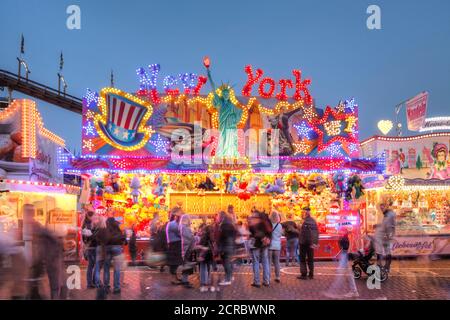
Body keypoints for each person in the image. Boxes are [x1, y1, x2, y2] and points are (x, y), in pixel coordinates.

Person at [96, 217, 127, 294]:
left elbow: (97, 237)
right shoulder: (117, 227)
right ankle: (116, 288)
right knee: (117, 269)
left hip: (107, 249)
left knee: (106, 268)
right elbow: (123, 238)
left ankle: (106, 287)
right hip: (117, 248)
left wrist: (102, 243)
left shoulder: (104, 228)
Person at [248, 210, 272, 287]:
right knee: (265, 262)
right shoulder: (267, 220)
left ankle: (257, 281)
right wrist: (267, 238)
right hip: (265, 244)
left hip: (256, 244)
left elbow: (252, 231)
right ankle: (266, 281)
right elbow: (270, 231)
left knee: (256, 262)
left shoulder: (255, 220)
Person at [375, 198, 396, 272]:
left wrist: (389, 236)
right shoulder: (387, 214)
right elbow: (386, 225)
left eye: (382, 206)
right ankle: (383, 266)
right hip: (384, 236)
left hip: (386, 236)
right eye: (380, 206)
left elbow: (390, 226)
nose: (381, 208)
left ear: (386, 206)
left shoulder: (389, 214)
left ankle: (385, 267)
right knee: (382, 251)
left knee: (384, 251)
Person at [298, 207, 319, 280]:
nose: (302, 214)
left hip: (304, 243)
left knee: (302, 259)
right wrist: (314, 242)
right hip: (310, 243)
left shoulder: (305, 222)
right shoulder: (313, 221)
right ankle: (311, 274)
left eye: (303, 212)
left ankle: (304, 274)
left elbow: (303, 233)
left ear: (306, 213)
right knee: (310, 259)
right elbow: (316, 233)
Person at [216, 211, 237, 286]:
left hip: (225, 246)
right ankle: (230, 277)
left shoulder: (223, 225)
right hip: (231, 245)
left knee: (226, 263)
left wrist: (219, 247)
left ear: (221, 217)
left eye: (218, 216)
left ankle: (227, 279)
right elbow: (235, 235)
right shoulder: (231, 225)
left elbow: (221, 238)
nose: (217, 217)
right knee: (229, 262)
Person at [166, 207, 184, 285]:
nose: (180, 218)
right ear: (175, 216)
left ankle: (175, 277)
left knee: (176, 262)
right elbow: (180, 233)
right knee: (173, 263)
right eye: (179, 216)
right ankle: (173, 279)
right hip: (174, 244)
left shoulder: (175, 223)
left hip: (176, 244)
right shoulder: (172, 224)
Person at [81, 211, 98, 288]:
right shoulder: (89, 224)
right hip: (92, 246)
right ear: (90, 216)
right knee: (93, 265)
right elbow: (90, 236)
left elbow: (84, 237)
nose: (95, 217)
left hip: (90, 246)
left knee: (92, 265)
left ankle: (91, 283)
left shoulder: (85, 224)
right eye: (94, 216)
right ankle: (91, 283)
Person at [197, 223, 215, 292]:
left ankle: (204, 285)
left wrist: (199, 247)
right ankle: (210, 285)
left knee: (203, 270)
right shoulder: (212, 236)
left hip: (204, 255)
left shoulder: (204, 237)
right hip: (210, 255)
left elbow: (201, 246)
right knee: (209, 270)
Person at [179, 214, 196, 288]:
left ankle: (184, 279)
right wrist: (195, 237)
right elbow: (189, 237)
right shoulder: (184, 228)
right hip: (187, 249)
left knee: (186, 265)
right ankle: (185, 281)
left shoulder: (182, 227)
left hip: (185, 248)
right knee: (186, 265)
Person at [269, 211, 282, 283]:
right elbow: (280, 235)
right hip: (277, 245)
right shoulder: (279, 225)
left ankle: (269, 277)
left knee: (269, 262)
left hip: (270, 245)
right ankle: (278, 277)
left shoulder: (269, 225)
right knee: (276, 262)